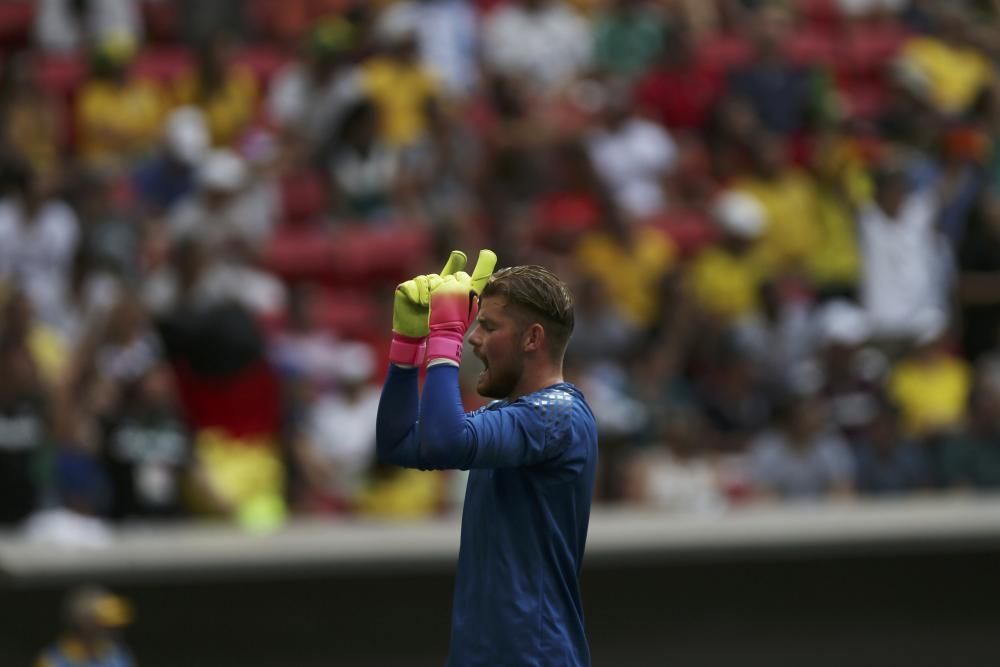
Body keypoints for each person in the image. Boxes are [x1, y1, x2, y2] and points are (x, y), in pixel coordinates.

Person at [376, 250, 598, 666]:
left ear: (532, 339)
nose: (473, 337)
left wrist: (445, 335)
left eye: (488, 326)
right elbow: (399, 443)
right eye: (472, 325)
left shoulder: (557, 415)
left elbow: (444, 442)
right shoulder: (513, 415)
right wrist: (408, 342)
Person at [35, 585, 135, 667]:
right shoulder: (53, 661)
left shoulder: (118, 656)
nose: (112, 630)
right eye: (103, 624)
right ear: (84, 623)